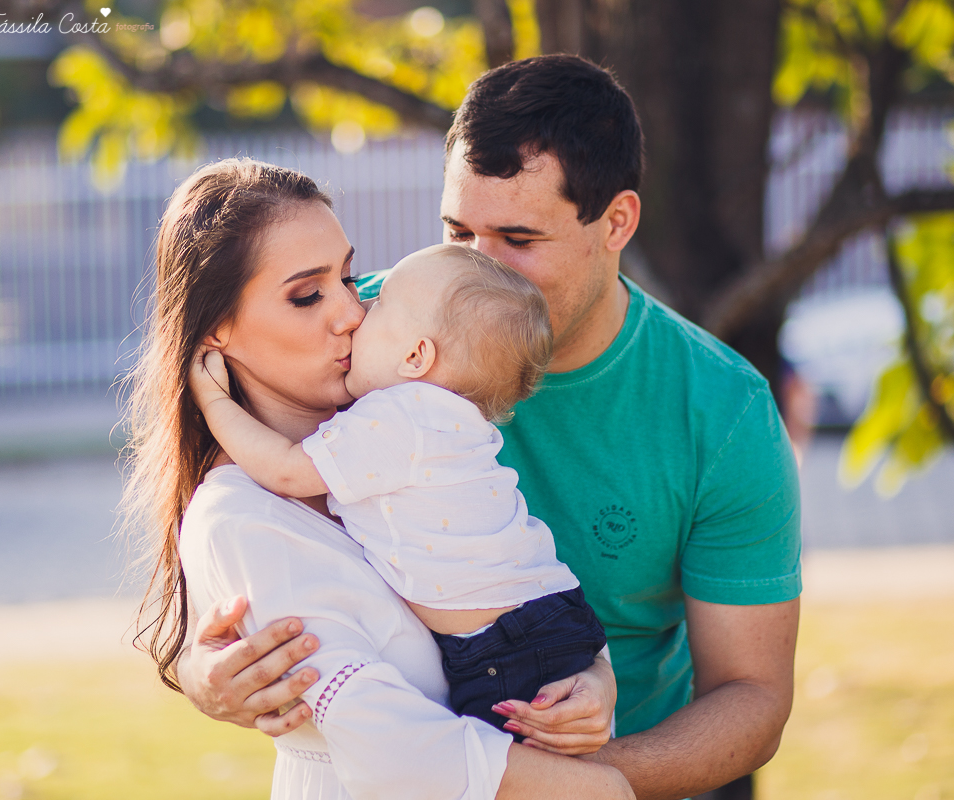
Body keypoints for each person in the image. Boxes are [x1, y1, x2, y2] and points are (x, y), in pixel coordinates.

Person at [177, 55, 801, 799]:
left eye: (518, 238)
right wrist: (202, 675)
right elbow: (233, 527)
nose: (480, 267)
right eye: (457, 230)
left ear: (617, 222)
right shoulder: (369, 334)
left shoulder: (720, 411)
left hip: (638, 772)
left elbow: (753, 699)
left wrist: (565, 782)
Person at [124, 156, 633, 799]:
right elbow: (387, 740)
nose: (351, 313)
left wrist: (589, 678)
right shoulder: (241, 515)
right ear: (217, 330)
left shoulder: (414, 431)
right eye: (308, 294)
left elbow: (513, 567)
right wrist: (596, 791)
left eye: (350, 278)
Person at [189, 243, 608, 736]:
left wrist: (213, 403)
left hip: (501, 648)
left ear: (414, 356)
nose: (357, 312)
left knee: (505, 776)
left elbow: (285, 470)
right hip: (546, 618)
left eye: (377, 303)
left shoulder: (398, 418)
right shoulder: (445, 421)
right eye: (309, 294)